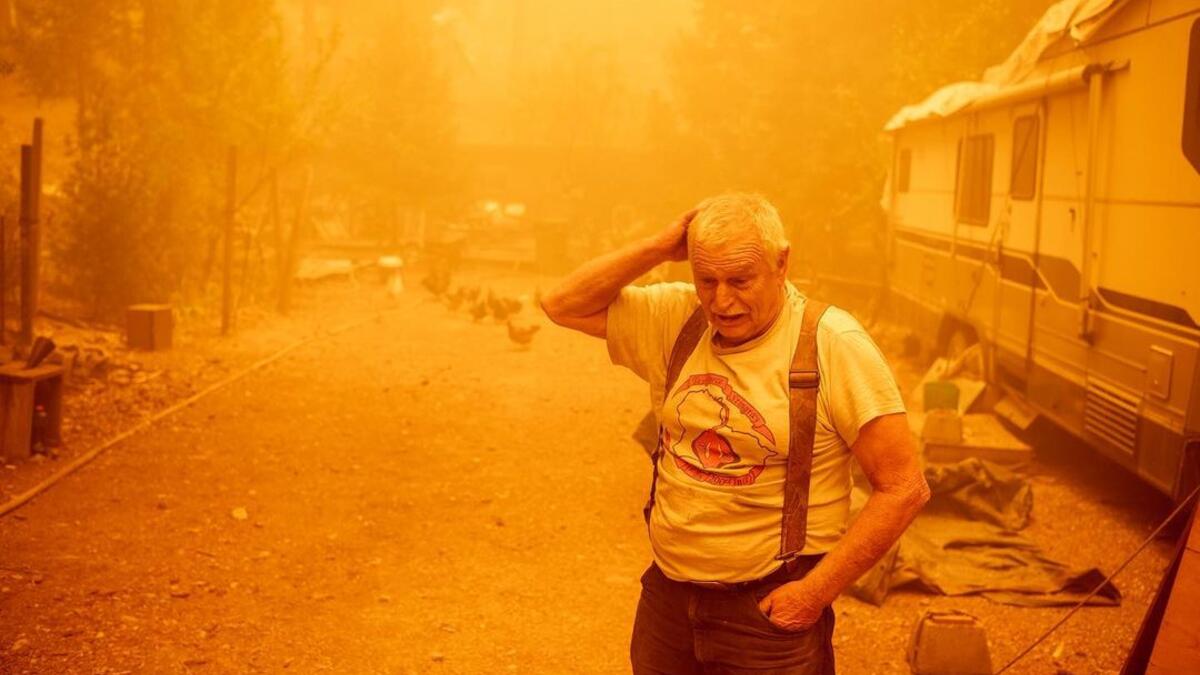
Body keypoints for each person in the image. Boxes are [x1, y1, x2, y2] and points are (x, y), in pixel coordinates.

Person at [540, 193, 930, 674]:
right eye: (707, 280)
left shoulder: (832, 344)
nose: (721, 301)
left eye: (740, 280)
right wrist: (659, 248)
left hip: (768, 616)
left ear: (782, 263)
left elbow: (903, 486)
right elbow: (561, 304)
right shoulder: (677, 317)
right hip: (668, 600)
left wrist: (813, 594)